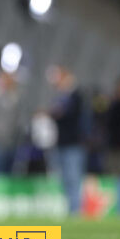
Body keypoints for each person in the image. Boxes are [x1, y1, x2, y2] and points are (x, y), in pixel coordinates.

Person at [47, 65, 89, 215]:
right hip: (61, 144)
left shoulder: (76, 96)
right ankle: (71, 209)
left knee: (73, 179)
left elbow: (68, 115)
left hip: (74, 145)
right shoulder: (59, 98)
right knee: (64, 179)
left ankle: (75, 211)